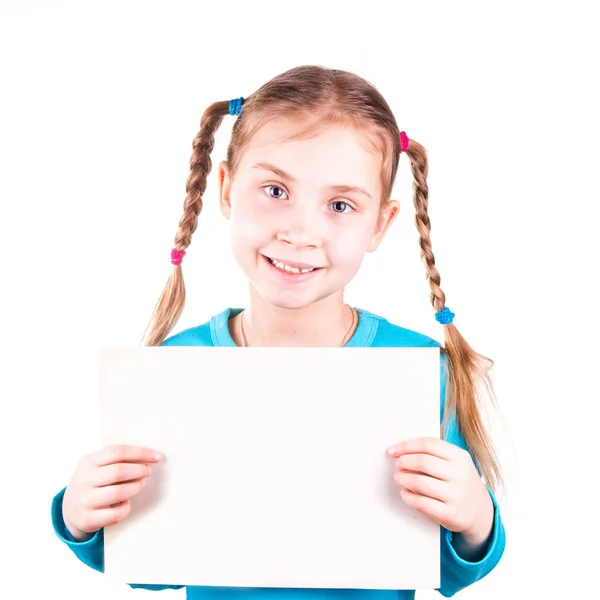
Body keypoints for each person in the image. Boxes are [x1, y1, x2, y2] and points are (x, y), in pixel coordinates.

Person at [51, 65, 506, 599]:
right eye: (274, 189)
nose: (299, 230)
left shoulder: (421, 371)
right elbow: (157, 565)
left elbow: (445, 569)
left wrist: (475, 520)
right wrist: (82, 518)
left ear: (380, 225)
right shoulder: (177, 366)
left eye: (340, 205)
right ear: (225, 188)